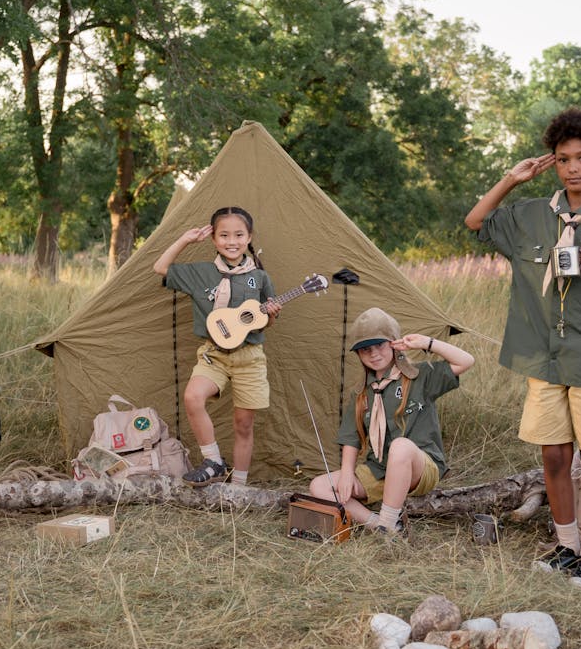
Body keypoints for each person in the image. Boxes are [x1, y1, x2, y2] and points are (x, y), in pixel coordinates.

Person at [464, 107, 581, 587]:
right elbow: (475, 221)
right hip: (542, 356)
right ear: (553, 162)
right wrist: (512, 179)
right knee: (553, 456)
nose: (574, 167)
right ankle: (566, 545)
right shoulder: (531, 216)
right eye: (564, 158)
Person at [310, 307, 474, 540]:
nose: (374, 354)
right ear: (359, 354)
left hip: (421, 466)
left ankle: (387, 524)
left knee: (400, 446)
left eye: (380, 345)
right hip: (380, 470)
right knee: (320, 486)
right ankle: (376, 523)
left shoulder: (420, 376)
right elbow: (350, 439)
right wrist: (347, 474)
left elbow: (467, 361)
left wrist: (425, 343)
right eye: (366, 349)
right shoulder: (362, 393)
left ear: (394, 344)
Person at [152, 207, 282, 486]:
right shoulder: (202, 273)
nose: (231, 241)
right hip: (213, 354)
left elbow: (263, 323)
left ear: (249, 238)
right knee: (192, 398)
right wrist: (185, 240)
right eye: (223, 235)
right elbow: (160, 268)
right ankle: (213, 461)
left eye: (238, 235)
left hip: (249, 357)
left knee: (243, 425)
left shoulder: (259, 278)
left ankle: (239, 488)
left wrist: (270, 315)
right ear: (214, 239)